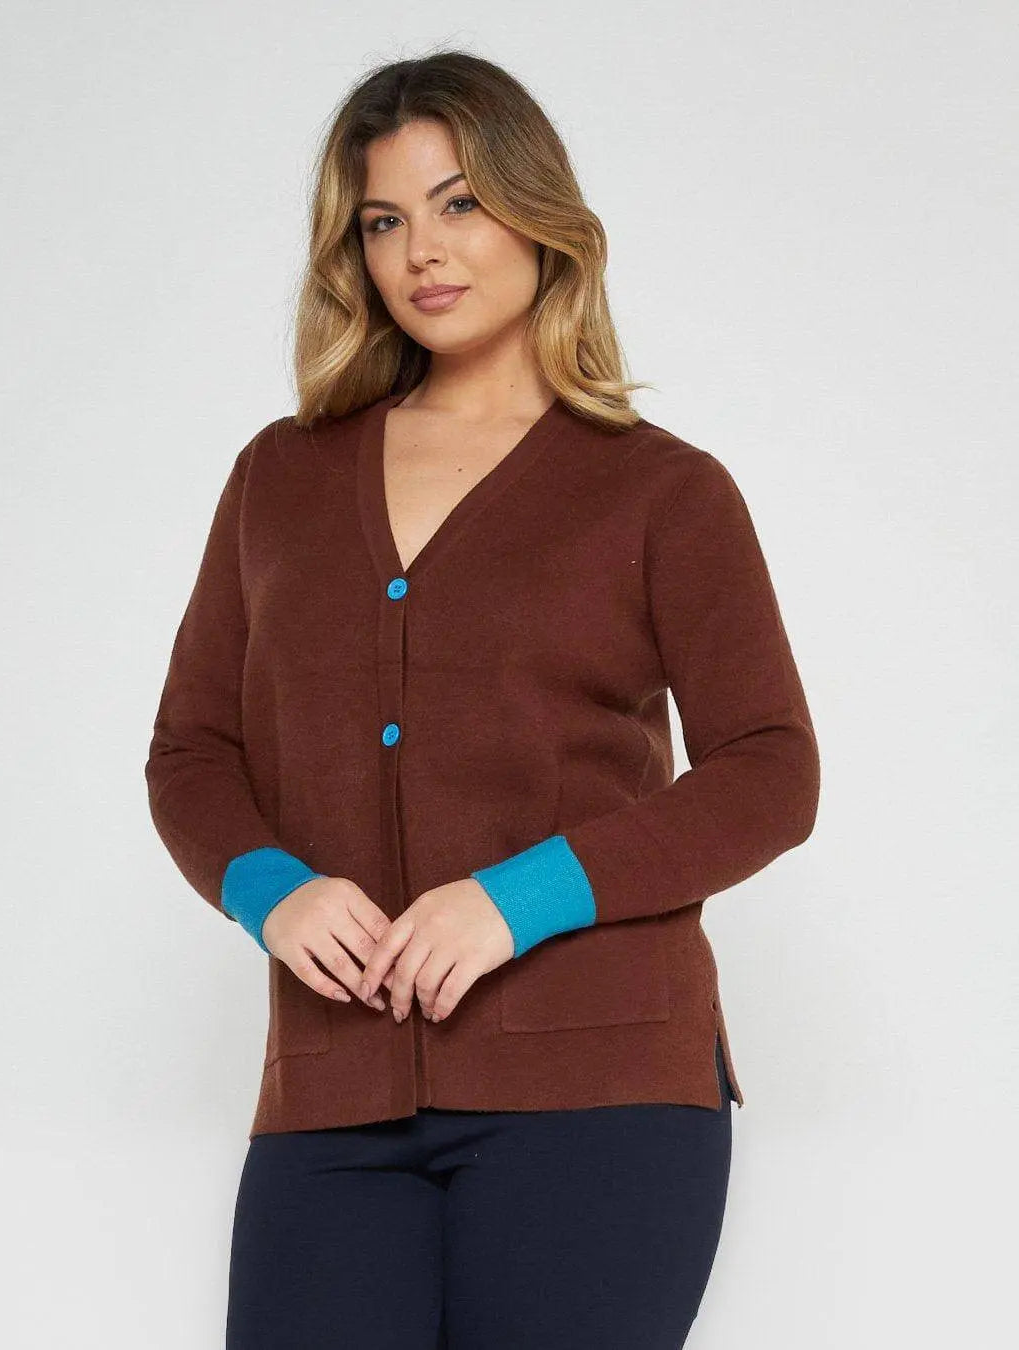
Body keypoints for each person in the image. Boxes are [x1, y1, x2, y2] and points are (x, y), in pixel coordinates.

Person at [144, 49, 820, 1350]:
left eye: (459, 203)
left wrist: (521, 896)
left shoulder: (662, 491)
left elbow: (770, 769)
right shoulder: (281, 479)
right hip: (334, 1094)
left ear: (536, 212)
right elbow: (191, 750)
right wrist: (271, 888)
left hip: (602, 1088)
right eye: (382, 220)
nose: (422, 251)